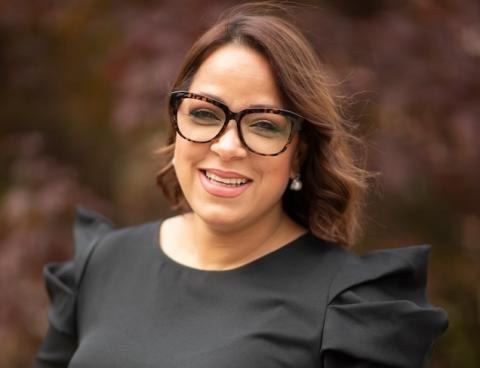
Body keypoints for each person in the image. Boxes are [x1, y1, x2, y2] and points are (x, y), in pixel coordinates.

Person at [34, 3, 448, 367]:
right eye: (204, 114)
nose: (227, 145)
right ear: (176, 125)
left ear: (299, 152)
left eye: (264, 124)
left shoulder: (349, 309)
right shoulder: (102, 262)